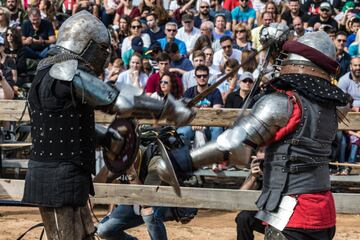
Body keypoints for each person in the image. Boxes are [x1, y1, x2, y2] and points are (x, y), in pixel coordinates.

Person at [157, 27, 350, 240]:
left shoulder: (280, 103)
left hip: (293, 212)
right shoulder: (334, 107)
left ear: (294, 62)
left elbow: (235, 146)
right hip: (323, 210)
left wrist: (184, 162)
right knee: (246, 219)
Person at [21, 11, 194, 240]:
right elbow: (117, 100)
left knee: (84, 235)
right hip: (60, 177)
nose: (103, 56)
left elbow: (67, 127)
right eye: (102, 49)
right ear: (88, 45)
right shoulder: (66, 70)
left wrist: (109, 138)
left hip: (61, 173)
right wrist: (167, 109)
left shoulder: (45, 68)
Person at [177, 65, 223, 146]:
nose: (202, 78)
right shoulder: (189, 92)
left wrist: (202, 122)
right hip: (192, 124)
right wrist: (195, 122)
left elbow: (216, 112)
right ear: (195, 78)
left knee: (217, 128)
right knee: (181, 132)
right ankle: (186, 156)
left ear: (208, 77)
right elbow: (185, 112)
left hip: (209, 124)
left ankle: (215, 156)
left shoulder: (215, 91)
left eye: (204, 76)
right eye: (199, 76)